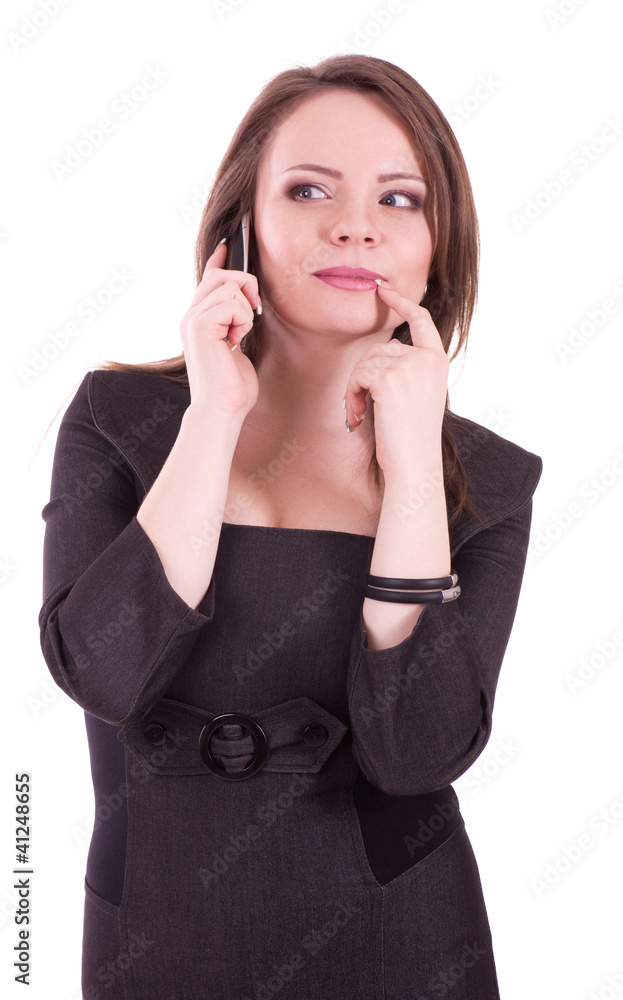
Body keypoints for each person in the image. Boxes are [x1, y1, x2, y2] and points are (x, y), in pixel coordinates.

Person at [38, 53, 542, 1000]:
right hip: (156, 936)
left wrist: (414, 481)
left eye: (400, 200)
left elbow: (421, 755)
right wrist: (213, 416)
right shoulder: (119, 421)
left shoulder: (492, 483)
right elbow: (100, 673)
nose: (355, 223)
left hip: (403, 941)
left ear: (440, 244)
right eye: (310, 188)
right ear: (242, 224)